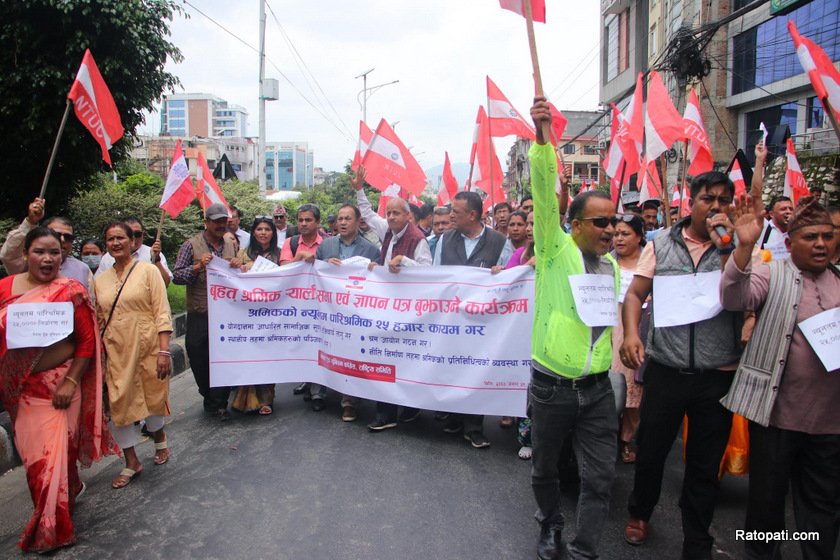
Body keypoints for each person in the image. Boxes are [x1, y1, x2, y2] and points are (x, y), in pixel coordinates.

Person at [620, 171, 741, 559]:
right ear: (692, 202)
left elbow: (748, 296)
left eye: (724, 200)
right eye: (709, 198)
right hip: (667, 370)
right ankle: (640, 512)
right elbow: (636, 294)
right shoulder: (660, 245)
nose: (716, 207)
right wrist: (631, 334)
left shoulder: (738, 247)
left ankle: (697, 535)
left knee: (705, 465)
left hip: (717, 375)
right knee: (652, 449)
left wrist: (731, 250)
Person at [720, 196, 839, 560]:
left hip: (830, 424)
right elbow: (733, 296)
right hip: (776, 417)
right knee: (767, 504)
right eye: (811, 237)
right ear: (789, 243)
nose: (821, 244)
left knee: (822, 506)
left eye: (827, 236)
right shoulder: (772, 273)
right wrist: (743, 247)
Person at [528, 98, 620, 560]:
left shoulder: (613, 268)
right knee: (545, 468)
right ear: (576, 224)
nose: (611, 229)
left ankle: (584, 550)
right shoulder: (552, 250)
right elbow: (546, 195)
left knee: (601, 476)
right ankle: (550, 526)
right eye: (601, 222)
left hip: (598, 390)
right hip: (552, 388)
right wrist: (544, 141)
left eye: (615, 221)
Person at [0, 227, 117, 553]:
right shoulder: (5, 289)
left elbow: (86, 342)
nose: (48, 258)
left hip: (63, 389)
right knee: (37, 460)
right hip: (21, 391)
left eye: (55, 252)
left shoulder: (70, 290)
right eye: (40, 251)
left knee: (53, 456)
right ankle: (68, 489)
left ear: (63, 257)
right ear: (25, 254)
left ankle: (53, 528)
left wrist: (70, 381)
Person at [351, 167, 433, 429]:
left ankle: (409, 408)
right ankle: (385, 413)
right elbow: (365, 212)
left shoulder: (418, 239)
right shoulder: (386, 229)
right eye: (389, 213)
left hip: (408, 311)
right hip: (384, 308)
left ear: (409, 216)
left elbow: (428, 274)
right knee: (384, 359)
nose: (392, 217)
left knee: (405, 361)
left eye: (397, 212)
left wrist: (405, 261)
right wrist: (359, 188)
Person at [95, 222, 173, 489]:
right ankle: (131, 461)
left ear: (132, 242)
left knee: (152, 394)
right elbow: (97, 318)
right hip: (115, 350)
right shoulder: (100, 280)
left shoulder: (148, 271)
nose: (116, 243)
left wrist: (164, 350)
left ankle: (159, 439)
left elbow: (162, 312)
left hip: (148, 345)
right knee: (119, 403)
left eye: (120, 238)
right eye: (110, 239)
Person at [434, 190, 512, 448]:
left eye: (455, 212)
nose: (450, 215)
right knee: (452, 367)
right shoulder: (445, 240)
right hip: (451, 320)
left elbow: (510, 279)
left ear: (473, 214)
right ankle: (455, 417)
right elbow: (435, 278)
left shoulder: (500, 242)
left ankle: (474, 426)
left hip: (483, 323)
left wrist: (502, 274)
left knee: (476, 371)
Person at [173, 203, 239, 421]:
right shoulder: (191, 245)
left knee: (225, 358)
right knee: (197, 354)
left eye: (224, 221)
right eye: (217, 221)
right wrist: (197, 266)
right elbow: (178, 276)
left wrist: (239, 265)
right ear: (206, 223)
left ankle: (219, 402)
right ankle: (208, 393)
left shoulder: (231, 243)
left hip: (226, 314)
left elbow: (240, 275)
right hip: (200, 313)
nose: (221, 225)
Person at [315, 203, 380, 422]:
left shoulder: (371, 250)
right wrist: (323, 264)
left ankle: (349, 402)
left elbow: (379, 283)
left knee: (352, 354)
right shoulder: (326, 245)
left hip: (356, 313)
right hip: (330, 311)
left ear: (358, 220)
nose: (342, 222)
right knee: (328, 349)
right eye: (340, 219)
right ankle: (320, 391)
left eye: (347, 218)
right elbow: (312, 271)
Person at [230, 216, 281, 415]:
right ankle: (247, 399)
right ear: (253, 232)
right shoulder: (243, 253)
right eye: (259, 229)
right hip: (248, 313)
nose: (263, 233)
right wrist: (236, 267)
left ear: (273, 233)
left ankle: (267, 399)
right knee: (250, 356)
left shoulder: (278, 254)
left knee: (269, 356)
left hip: (272, 312)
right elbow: (233, 278)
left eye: (267, 229)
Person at [610, 213, 646, 464]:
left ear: (640, 237)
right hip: (609, 332)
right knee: (610, 388)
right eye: (616, 234)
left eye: (625, 234)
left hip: (639, 331)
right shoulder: (604, 262)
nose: (619, 239)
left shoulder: (650, 264)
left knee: (634, 392)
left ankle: (625, 440)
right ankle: (606, 439)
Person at [280, 204, 325, 404]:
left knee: (317, 343)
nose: (304, 224)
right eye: (300, 220)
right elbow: (282, 269)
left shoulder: (327, 244)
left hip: (319, 304)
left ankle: (317, 391)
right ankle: (306, 380)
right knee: (301, 342)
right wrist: (299, 258)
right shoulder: (290, 243)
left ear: (318, 222)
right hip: (296, 303)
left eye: (308, 220)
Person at [0, 198, 93, 291]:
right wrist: (30, 222)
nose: (62, 240)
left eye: (68, 237)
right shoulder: (27, 263)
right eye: (56, 235)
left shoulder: (82, 269)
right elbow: (8, 255)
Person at [96, 217, 171, 286]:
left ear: (143, 235)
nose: (134, 238)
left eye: (137, 234)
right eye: (130, 235)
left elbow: (165, 283)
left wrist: (156, 260)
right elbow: (98, 285)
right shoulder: (108, 258)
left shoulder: (153, 254)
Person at [759, 195, 793, 260]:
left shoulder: (796, 232)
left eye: (791, 209)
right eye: (783, 209)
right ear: (771, 214)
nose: (788, 212)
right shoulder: (764, 229)